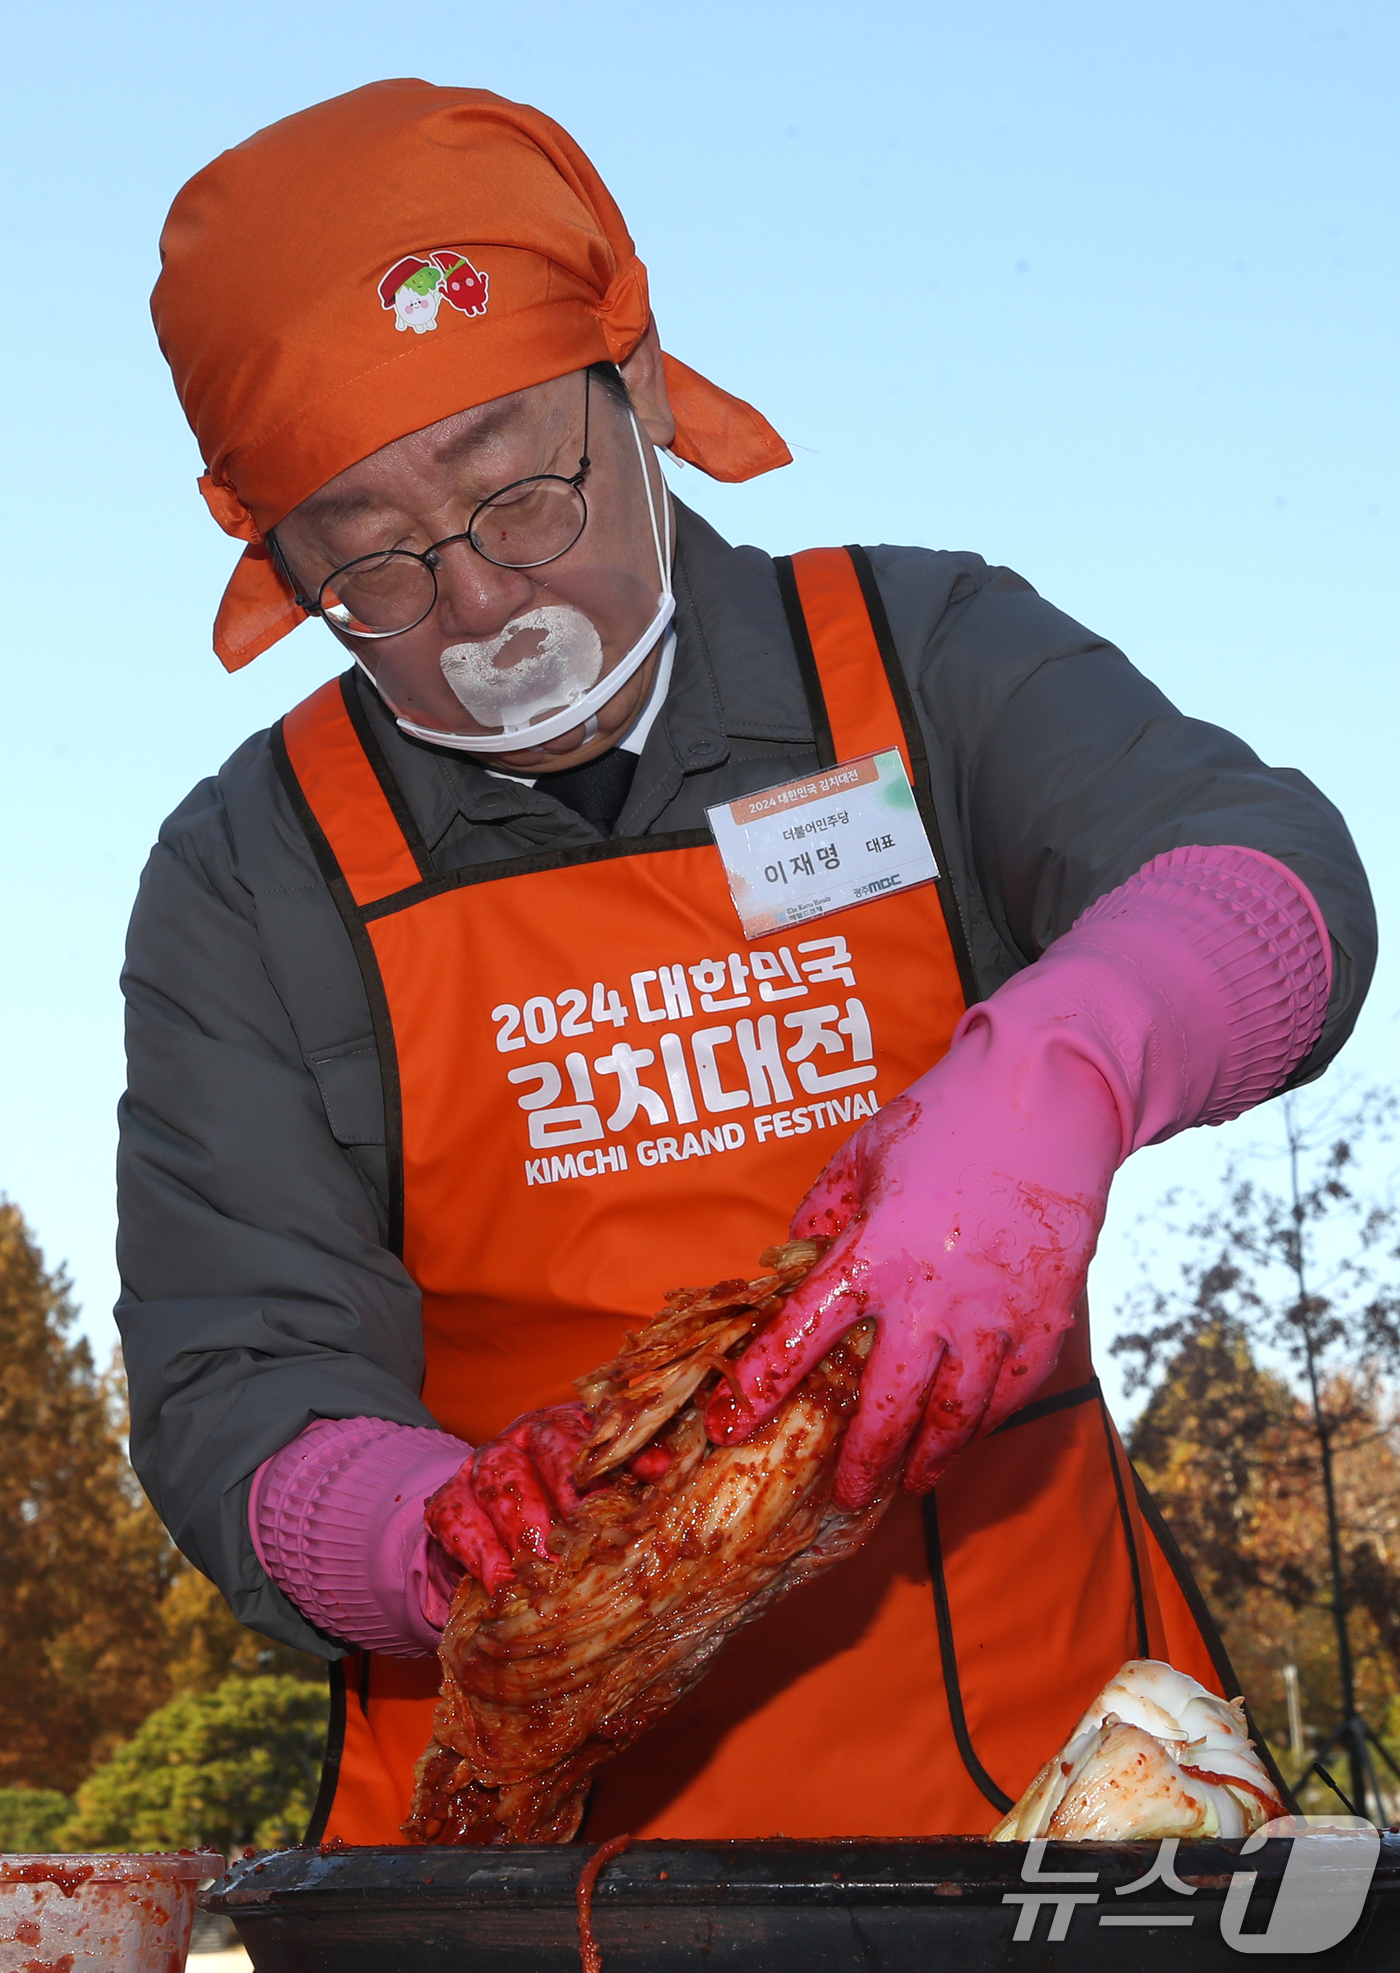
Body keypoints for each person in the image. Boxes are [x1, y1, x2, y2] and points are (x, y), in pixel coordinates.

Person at [120, 79, 1375, 1845]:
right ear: (279, 563)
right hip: (513, 1874)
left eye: (517, 493)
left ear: (633, 384)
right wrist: (426, 1533)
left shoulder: (919, 655)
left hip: (1056, 1800)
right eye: (374, 562)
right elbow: (225, 1377)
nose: (482, 605)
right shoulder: (252, 875)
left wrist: (1072, 1059)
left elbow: (1271, 877)